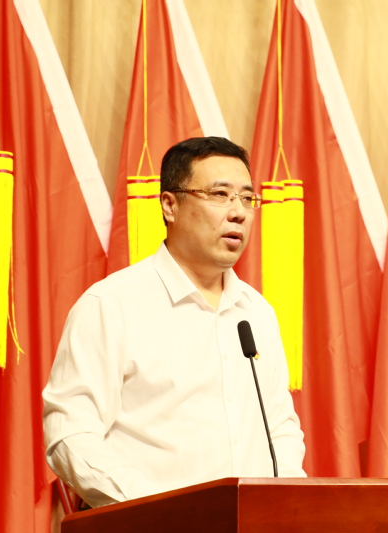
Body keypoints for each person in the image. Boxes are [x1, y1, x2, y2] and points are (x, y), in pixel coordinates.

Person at [43, 137, 305, 508]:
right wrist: (162, 511)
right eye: (220, 195)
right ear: (170, 205)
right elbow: (70, 435)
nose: (239, 212)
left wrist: (290, 507)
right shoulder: (111, 306)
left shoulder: (256, 312)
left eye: (247, 198)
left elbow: (279, 429)